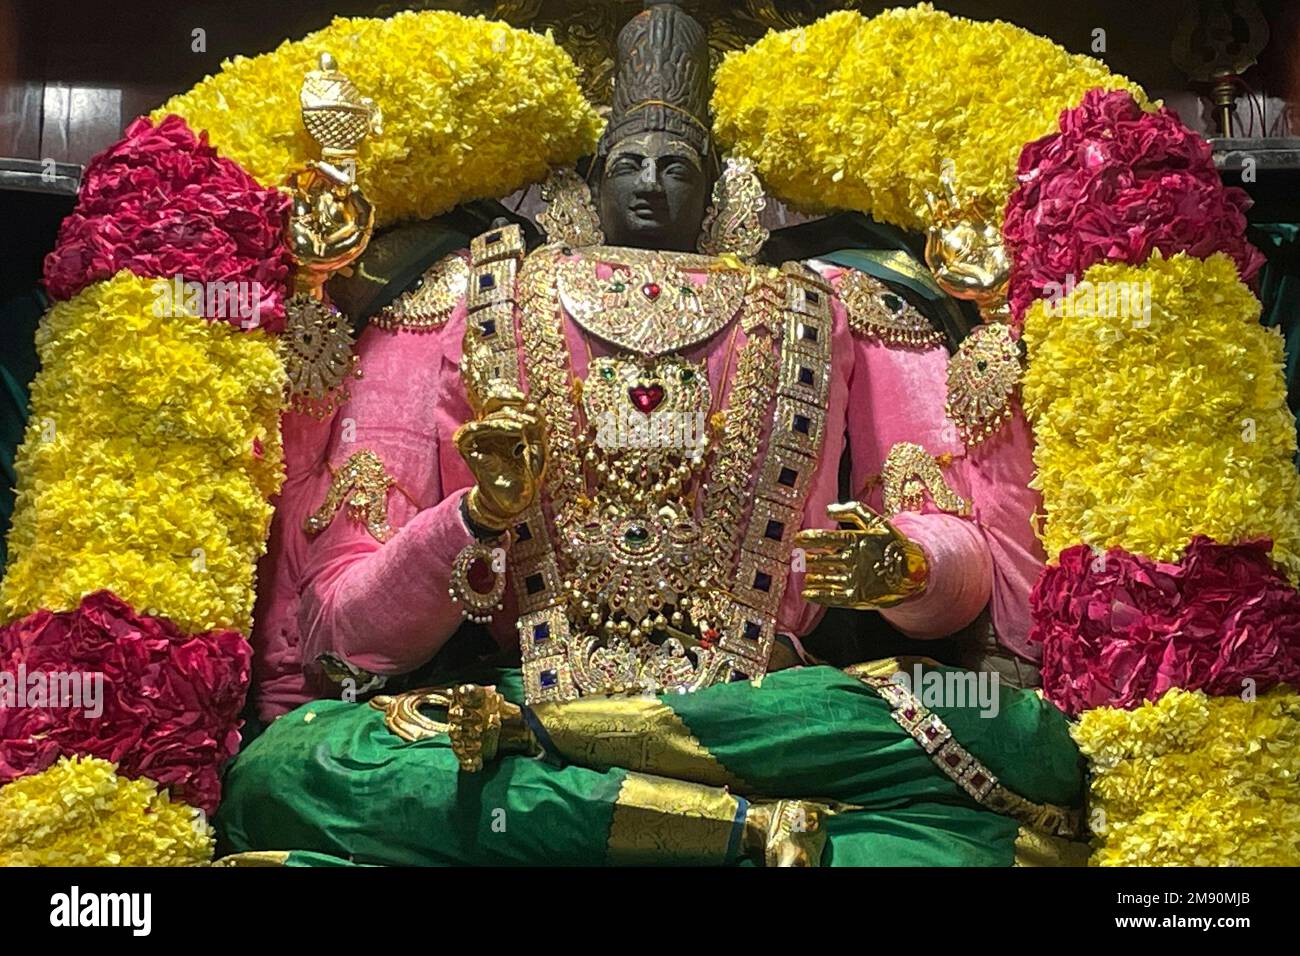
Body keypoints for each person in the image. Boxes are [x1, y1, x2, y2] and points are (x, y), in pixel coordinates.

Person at [219, 0, 1082, 867]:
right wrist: (479, 515)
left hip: (759, 715)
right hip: (530, 709)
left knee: (1019, 738)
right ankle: (747, 834)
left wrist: (902, 563)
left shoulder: (830, 301)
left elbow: (959, 571)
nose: (650, 182)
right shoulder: (458, 295)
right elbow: (339, 635)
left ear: (719, 194)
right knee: (292, 768)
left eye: (678, 167)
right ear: (590, 183)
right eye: (628, 162)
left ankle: (608, 816)